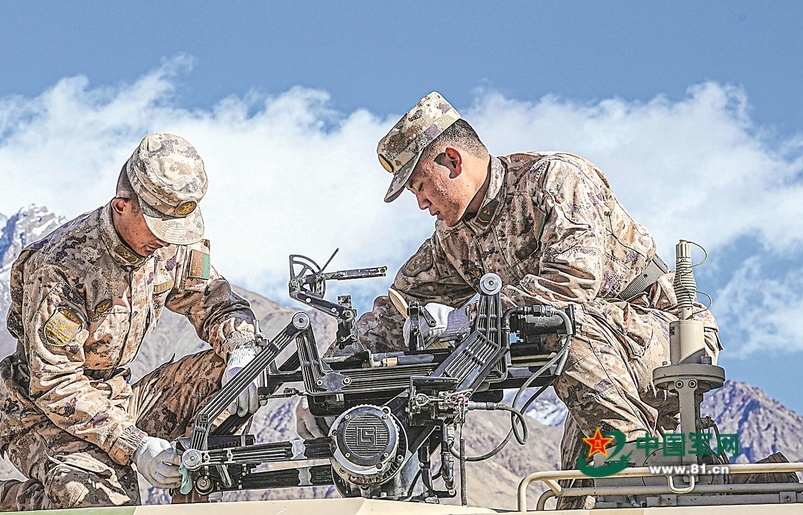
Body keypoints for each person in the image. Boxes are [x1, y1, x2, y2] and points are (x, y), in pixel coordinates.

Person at [296, 92, 720, 506]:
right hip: (595, 357)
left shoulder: (555, 180)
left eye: (422, 186)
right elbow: (399, 308)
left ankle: (640, 484)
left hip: (665, 338)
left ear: (453, 160)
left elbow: (571, 286)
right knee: (582, 489)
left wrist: (469, 317)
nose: (422, 203)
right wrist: (332, 378)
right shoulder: (453, 239)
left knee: (556, 330)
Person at [0, 133, 261, 511]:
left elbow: (216, 302)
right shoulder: (61, 266)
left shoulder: (169, 246)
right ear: (122, 206)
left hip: (119, 397)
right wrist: (136, 446)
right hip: (45, 415)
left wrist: (242, 353)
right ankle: (11, 503)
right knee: (108, 507)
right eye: (158, 227)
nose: (166, 240)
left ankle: (193, 503)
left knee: (238, 372)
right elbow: (56, 383)